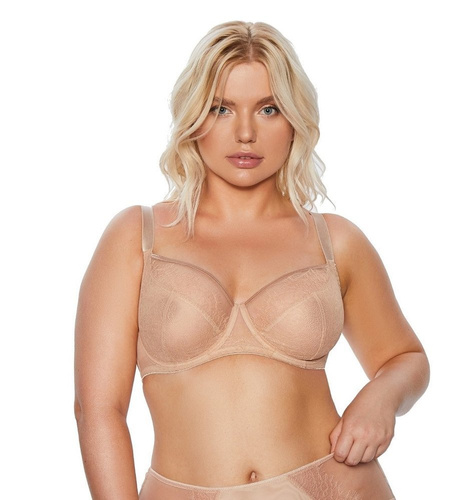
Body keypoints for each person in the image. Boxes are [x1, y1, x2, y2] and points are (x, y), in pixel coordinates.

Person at [74, 21, 430, 499]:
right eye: (221, 109)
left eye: (268, 109)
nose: (245, 133)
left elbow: (406, 358)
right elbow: (98, 409)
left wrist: (380, 398)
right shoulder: (137, 238)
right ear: (193, 117)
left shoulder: (336, 242)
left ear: (295, 119)